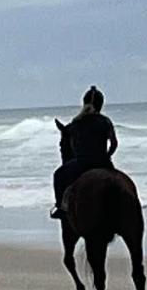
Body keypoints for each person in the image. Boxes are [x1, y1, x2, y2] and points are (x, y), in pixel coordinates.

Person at [50, 86, 118, 219]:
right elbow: (114, 144)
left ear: (84, 103)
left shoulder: (76, 123)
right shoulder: (105, 121)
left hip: (82, 163)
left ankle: (61, 208)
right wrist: (107, 156)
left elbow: (72, 145)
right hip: (103, 162)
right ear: (101, 105)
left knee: (58, 175)